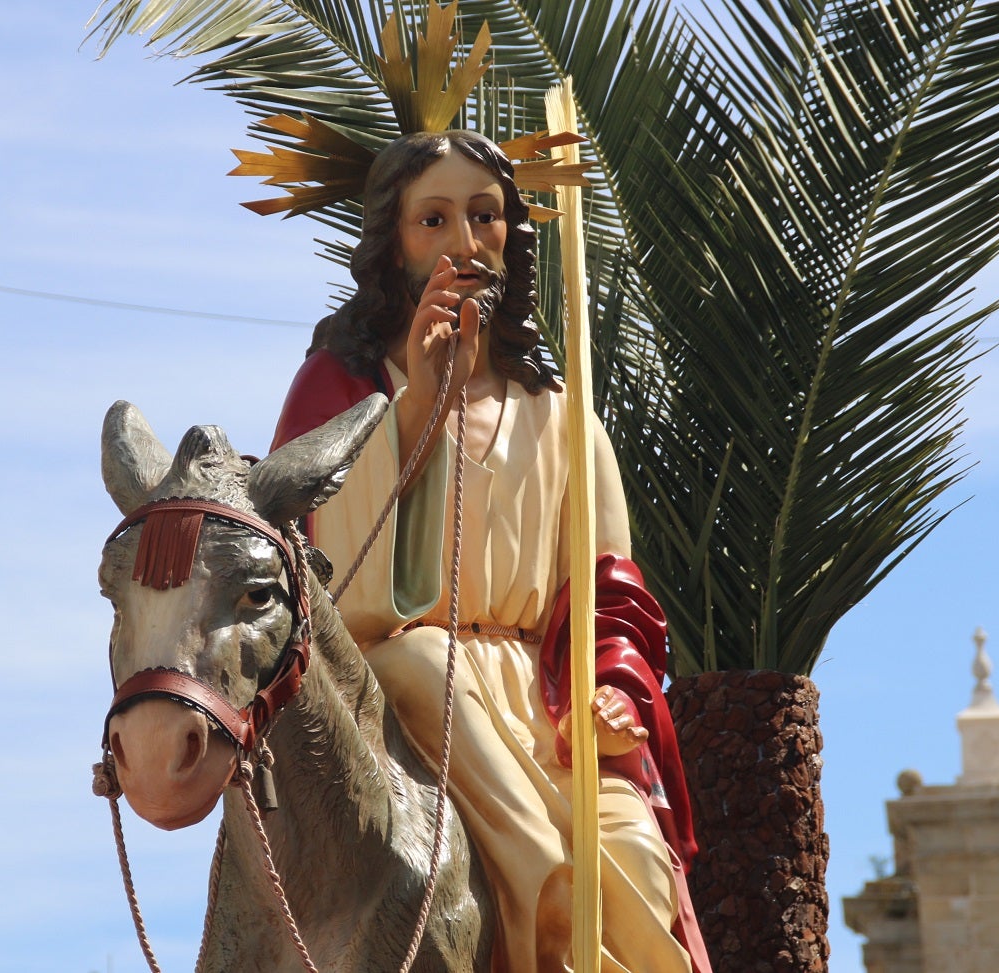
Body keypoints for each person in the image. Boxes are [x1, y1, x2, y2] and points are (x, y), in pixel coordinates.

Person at [270, 129, 710, 973]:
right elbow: (322, 580)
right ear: (393, 242)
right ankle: (552, 924)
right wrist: (421, 406)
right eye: (433, 220)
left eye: (485, 216)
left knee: (635, 847)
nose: (464, 243)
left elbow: (609, 596)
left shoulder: (564, 422)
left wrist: (609, 686)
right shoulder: (340, 388)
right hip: (397, 678)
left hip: (545, 706)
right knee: (427, 665)